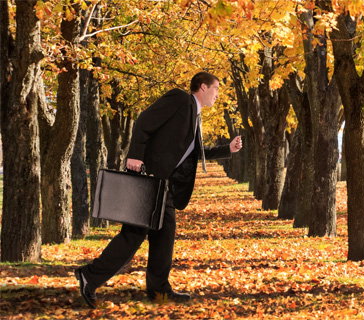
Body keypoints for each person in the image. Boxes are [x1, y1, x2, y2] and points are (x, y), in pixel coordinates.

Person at [75, 72, 242, 308]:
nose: (217, 95)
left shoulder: (195, 116)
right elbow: (144, 121)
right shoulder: (179, 99)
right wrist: (135, 154)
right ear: (203, 87)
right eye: (216, 89)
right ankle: (89, 276)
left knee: (164, 238)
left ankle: (159, 290)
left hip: (166, 187)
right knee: (134, 235)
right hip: (149, 180)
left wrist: (228, 149)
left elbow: (195, 153)